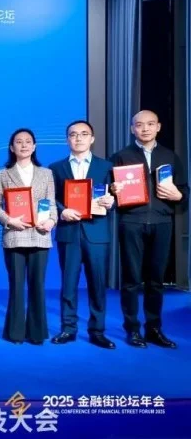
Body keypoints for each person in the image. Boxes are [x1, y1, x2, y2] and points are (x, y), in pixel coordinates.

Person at [110, 110, 187, 349]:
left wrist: (179, 195)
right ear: (132, 129)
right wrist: (113, 190)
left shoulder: (170, 156)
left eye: (150, 124)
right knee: (131, 279)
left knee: (156, 280)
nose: (145, 129)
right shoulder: (121, 156)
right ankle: (132, 329)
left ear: (158, 127)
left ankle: (154, 328)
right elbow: (108, 192)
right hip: (131, 222)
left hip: (162, 223)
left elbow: (184, 190)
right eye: (139, 125)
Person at [48, 120, 116, 349]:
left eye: (84, 134)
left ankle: (97, 331)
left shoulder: (106, 167)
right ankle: (68, 328)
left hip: (97, 232)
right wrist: (62, 210)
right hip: (69, 232)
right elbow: (50, 199)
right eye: (73, 134)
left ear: (92, 138)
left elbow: (115, 197)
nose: (78, 138)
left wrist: (111, 202)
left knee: (98, 284)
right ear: (67, 139)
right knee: (68, 284)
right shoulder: (56, 168)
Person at [0, 128, 57, 345]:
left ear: (34, 146)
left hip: (40, 234)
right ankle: (15, 333)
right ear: (12, 147)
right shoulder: (3, 174)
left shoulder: (46, 173)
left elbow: (52, 204)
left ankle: (37, 333)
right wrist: (8, 220)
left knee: (38, 285)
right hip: (14, 235)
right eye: (19, 142)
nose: (24, 145)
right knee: (17, 285)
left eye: (28, 141)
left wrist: (51, 221)